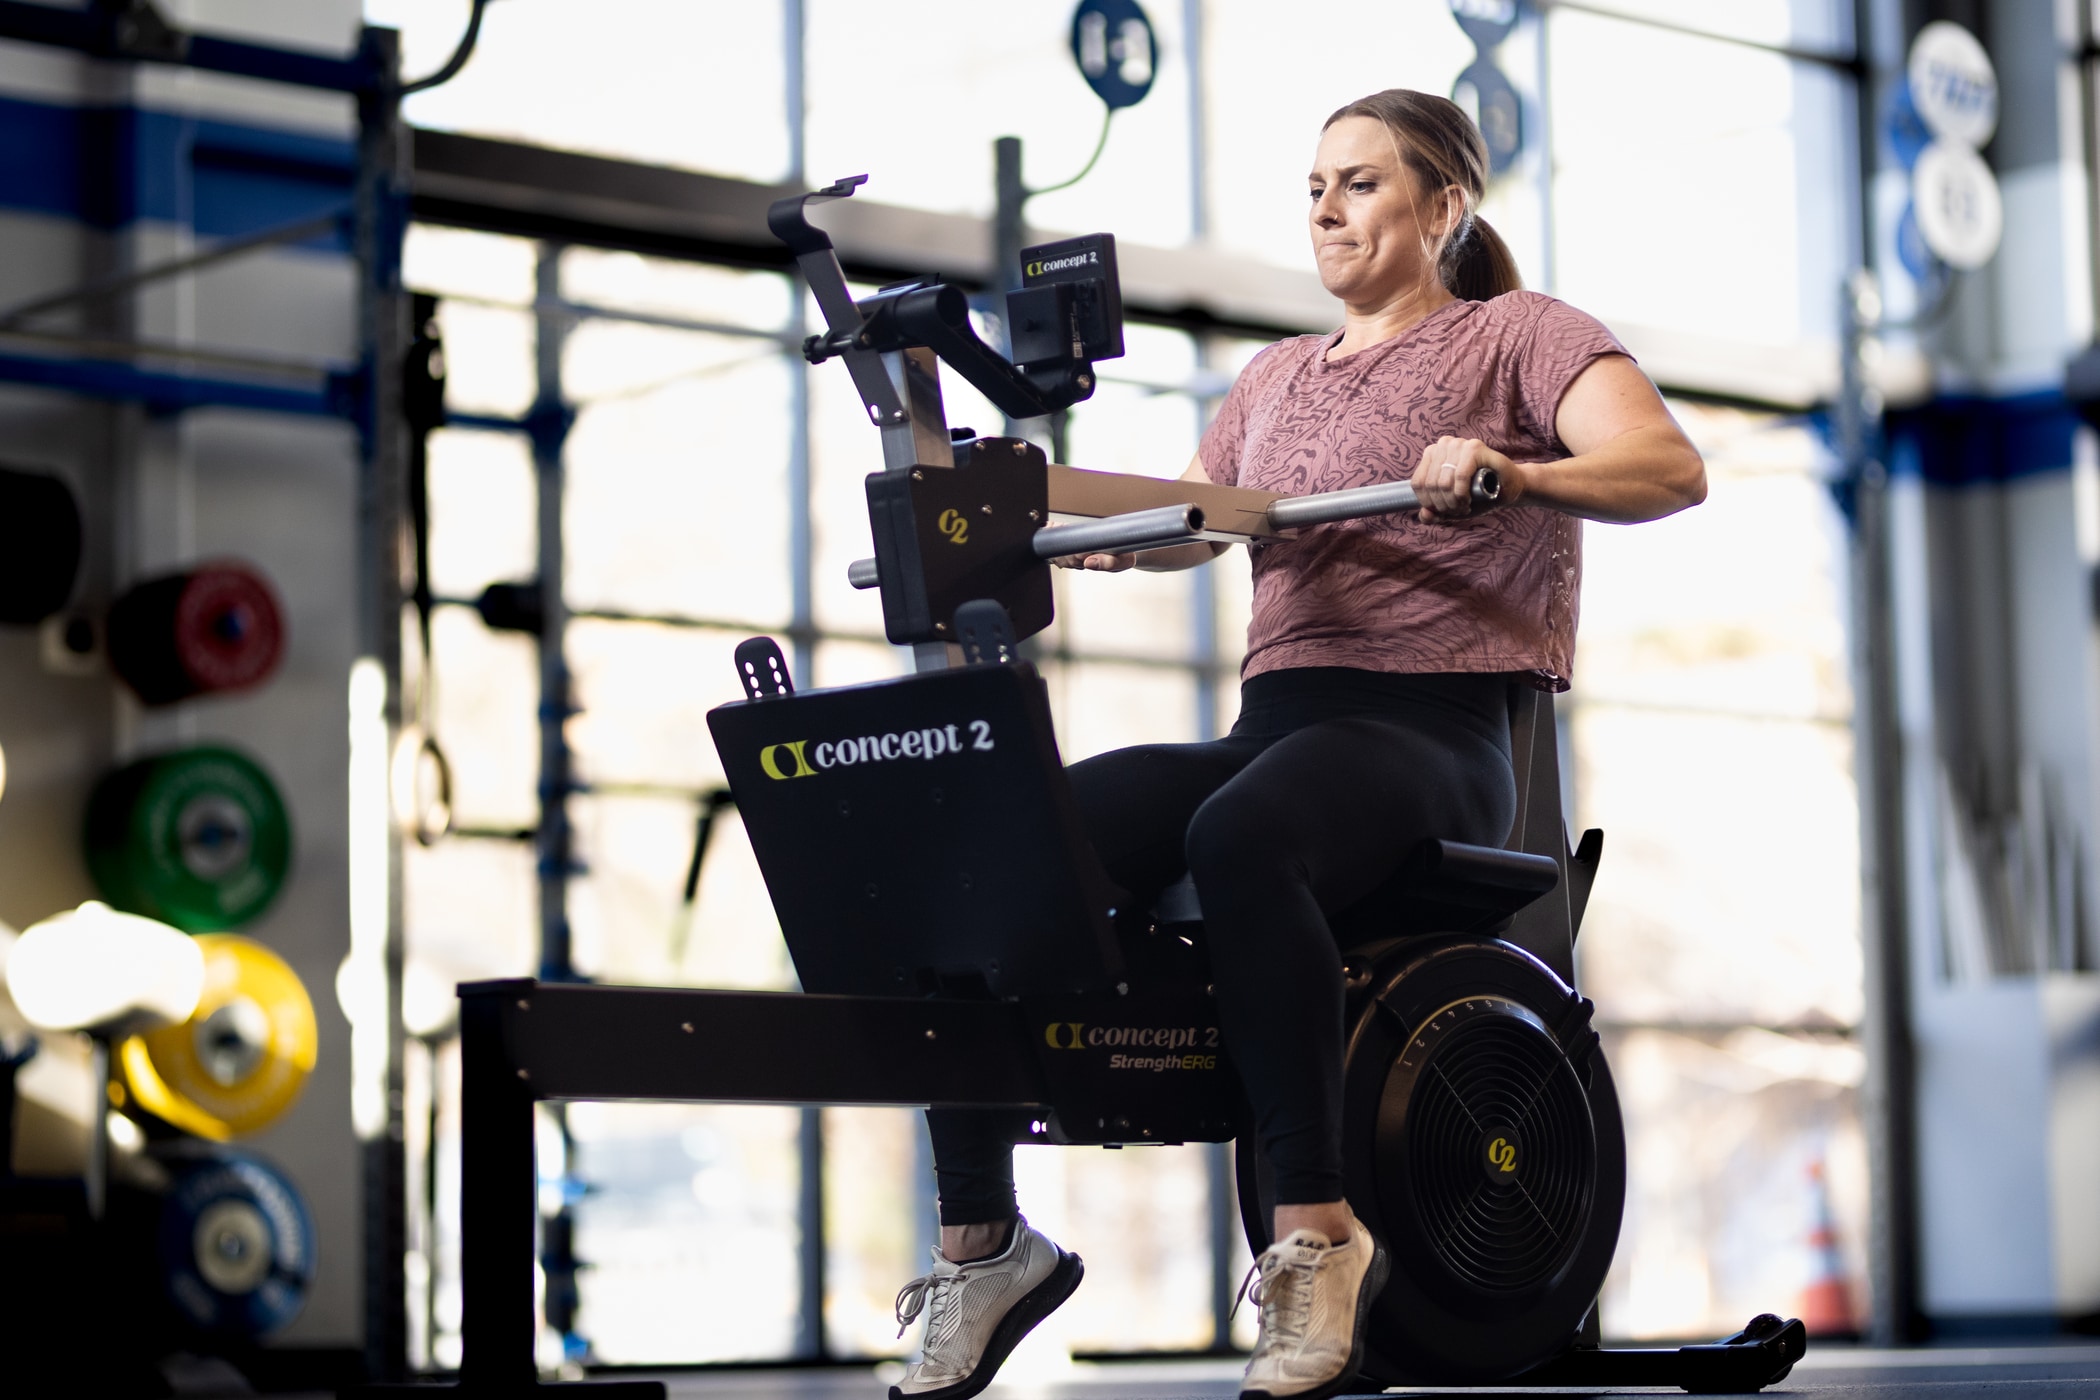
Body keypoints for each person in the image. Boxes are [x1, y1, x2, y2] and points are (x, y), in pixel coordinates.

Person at [887, 88, 1706, 1400]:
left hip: (1435, 731)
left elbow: (1666, 466)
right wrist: (1034, 515)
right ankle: (985, 1243)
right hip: (1278, 729)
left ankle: (1317, 1235)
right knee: (994, 850)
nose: (1327, 206)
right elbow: (1203, 514)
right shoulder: (1270, 377)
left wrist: (1513, 472)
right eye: (1316, 184)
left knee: (1243, 832)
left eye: (1363, 182)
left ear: (1444, 207)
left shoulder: (1521, 339)